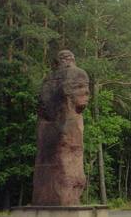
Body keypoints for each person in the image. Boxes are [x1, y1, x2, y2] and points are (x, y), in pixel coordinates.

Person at [32, 50, 90, 206]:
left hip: (50, 125)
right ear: (72, 60)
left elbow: (42, 103)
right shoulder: (79, 73)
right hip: (64, 123)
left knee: (71, 171)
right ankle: (64, 199)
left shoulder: (48, 78)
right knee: (69, 169)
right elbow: (82, 100)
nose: (86, 93)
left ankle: (63, 198)